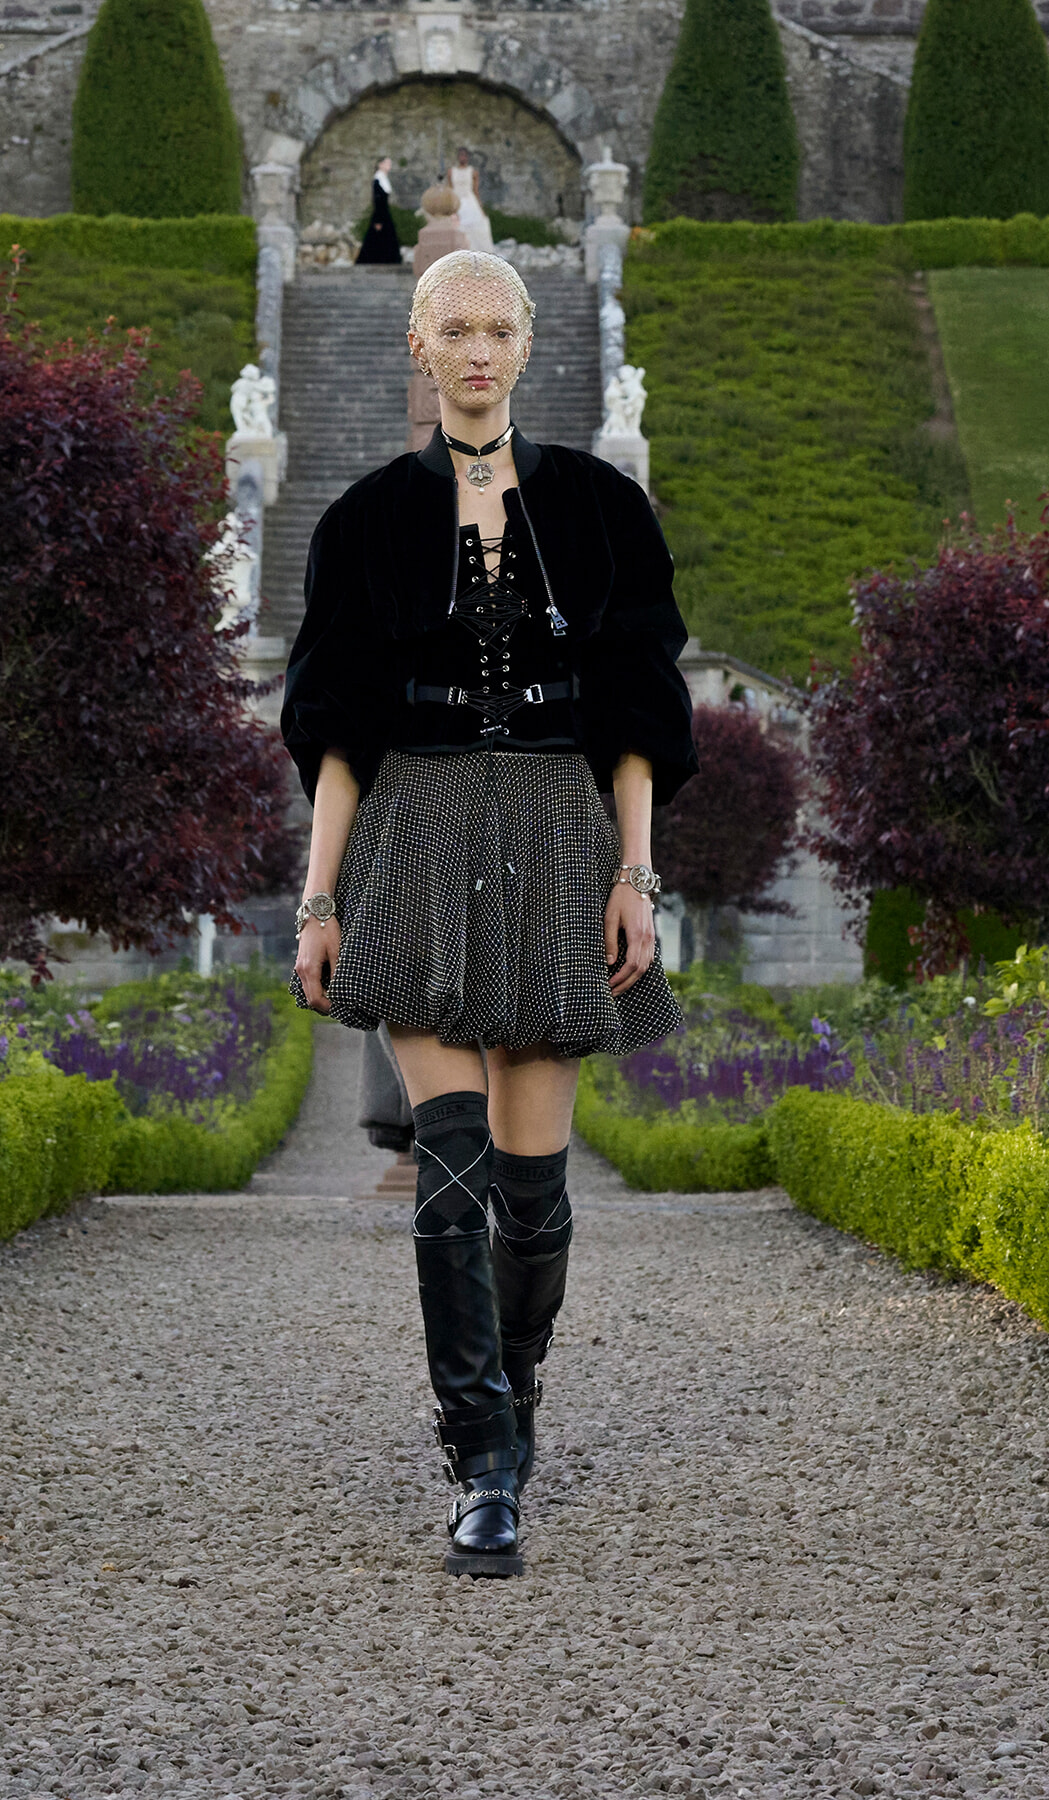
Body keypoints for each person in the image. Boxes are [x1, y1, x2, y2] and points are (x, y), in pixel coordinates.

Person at [281, 249, 697, 1578]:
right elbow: (339, 731)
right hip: (416, 835)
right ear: (419, 342)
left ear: (526, 345)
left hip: (564, 847)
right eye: (455, 329)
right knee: (449, 1181)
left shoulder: (601, 508)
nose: (478, 350)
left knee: (534, 1200)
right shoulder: (361, 522)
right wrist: (316, 899)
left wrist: (636, 877)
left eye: (500, 329)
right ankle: (483, 1462)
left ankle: (514, 1401)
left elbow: (637, 714)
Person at [356, 156, 402, 265]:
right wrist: (378, 219)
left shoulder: (383, 179)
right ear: (380, 165)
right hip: (381, 214)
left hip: (384, 212)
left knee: (384, 238)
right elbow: (377, 201)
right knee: (378, 238)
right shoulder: (377, 180)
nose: (389, 165)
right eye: (386, 163)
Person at [448, 148, 494, 253]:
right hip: (457, 202)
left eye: (465, 155)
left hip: (470, 201)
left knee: (478, 226)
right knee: (458, 226)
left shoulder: (473, 172)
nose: (462, 158)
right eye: (461, 155)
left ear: (468, 157)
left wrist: (481, 208)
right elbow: (450, 189)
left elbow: (475, 191)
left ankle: (479, 253)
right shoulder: (451, 172)